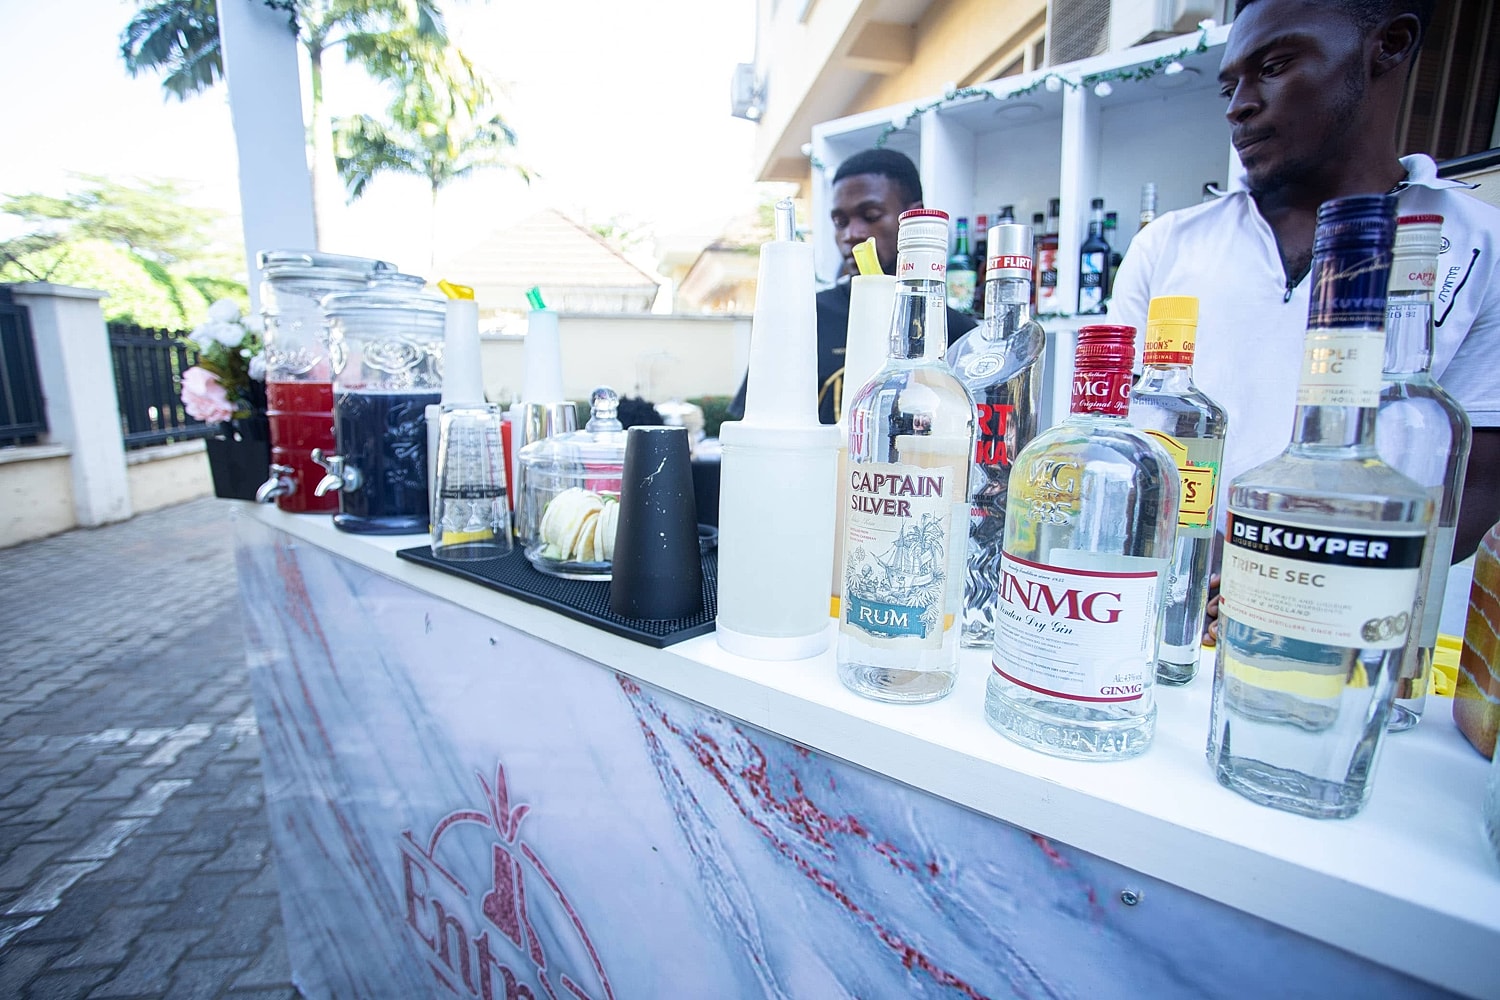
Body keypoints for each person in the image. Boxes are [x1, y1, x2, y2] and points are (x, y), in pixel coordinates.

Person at [1108, 0, 1500, 638]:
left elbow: (1475, 485)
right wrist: (1187, 571)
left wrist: (1283, 577)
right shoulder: (1169, 245)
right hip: (1174, 613)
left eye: (1275, 66)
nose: (1240, 106)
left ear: (1390, 45)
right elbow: (1122, 441)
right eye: (1230, 87)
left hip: (1359, 635)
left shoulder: (1479, 244)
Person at [727, 149, 977, 424]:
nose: (851, 234)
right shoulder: (806, 315)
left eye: (871, 215)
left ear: (914, 217)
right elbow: (754, 426)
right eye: (840, 222)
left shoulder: (960, 335)